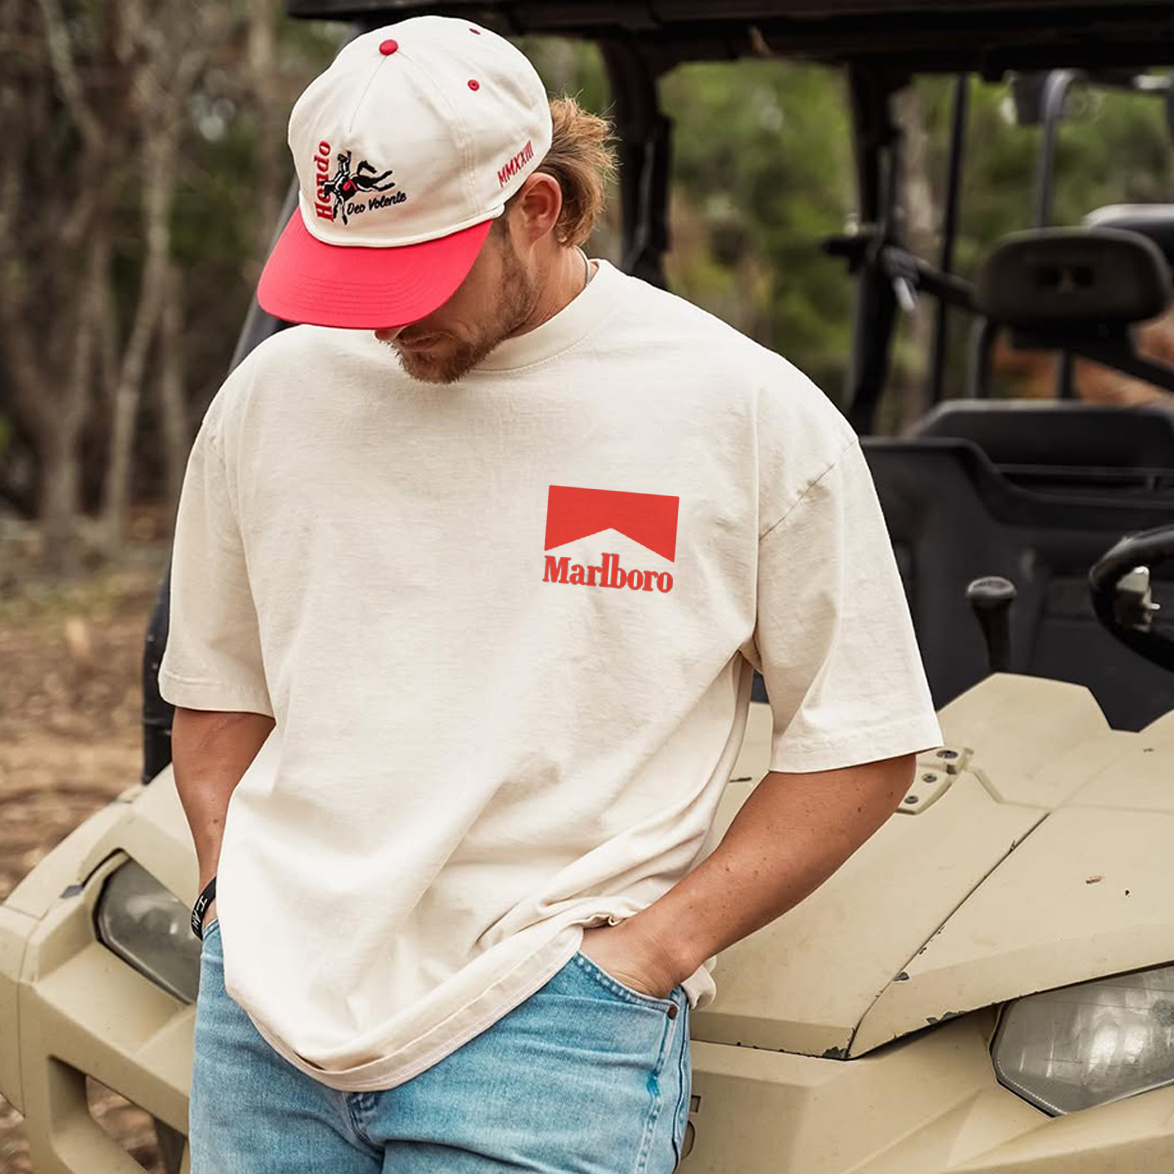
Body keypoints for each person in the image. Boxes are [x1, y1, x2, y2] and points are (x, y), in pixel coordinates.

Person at [160, 14, 943, 1174]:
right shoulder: (272, 398)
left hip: (547, 1029)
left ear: (538, 207)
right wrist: (231, 898)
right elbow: (218, 691)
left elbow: (861, 739)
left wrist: (647, 953)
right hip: (265, 1017)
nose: (383, 314)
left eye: (417, 273)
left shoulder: (739, 413)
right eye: (354, 273)